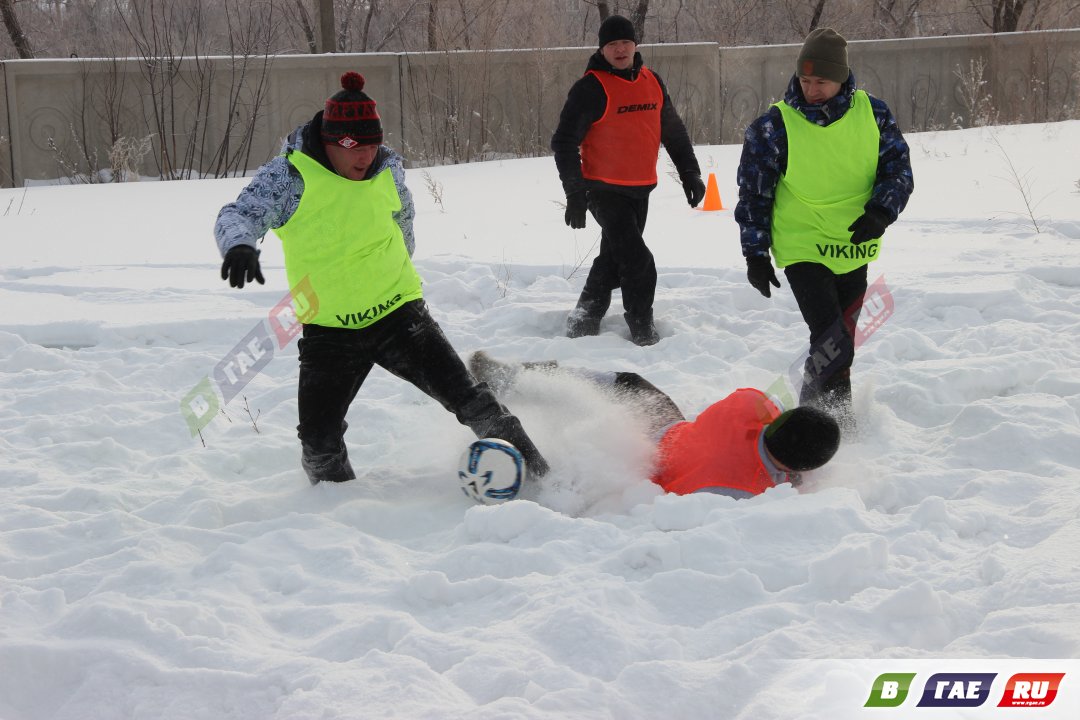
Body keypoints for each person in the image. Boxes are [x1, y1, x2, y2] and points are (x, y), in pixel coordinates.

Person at [214, 72, 549, 485]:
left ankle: (545, 478)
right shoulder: (290, 177)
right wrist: (239, 245)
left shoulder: (388, 168)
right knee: (319, 445)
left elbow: (404, 224)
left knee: (473, 403)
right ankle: (336, 514)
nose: (366, 158)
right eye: (357, 149)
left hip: (399, 316)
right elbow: (238, 214)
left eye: (374, 146)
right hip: (329, 330)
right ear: (333, 141)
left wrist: (389, 275)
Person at [734, 28, 914, 432]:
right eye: (805, 80)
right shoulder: (773, 126)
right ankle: (821, 427)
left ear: (843, 79)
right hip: (802, 246)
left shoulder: (875, 113)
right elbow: (754, 194)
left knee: (840, 343)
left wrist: (881, 212)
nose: (812, 89)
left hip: (853, 244)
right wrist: (756, 253)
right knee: (830, 335)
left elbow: (898, 170)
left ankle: (828, 423)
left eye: (822, 81)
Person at [469, 351, 840, 499]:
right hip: (649, 466)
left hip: (661, 432)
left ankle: (519, 379)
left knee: (627, 382)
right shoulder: (749, 490)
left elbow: (768, 404)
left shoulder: (748, 406)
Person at [551, 14, 706, 347]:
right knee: (637, 260)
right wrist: (576, 193)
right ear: (602, 49)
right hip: (602, 191)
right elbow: (563, 142)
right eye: (612, 44)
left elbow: (673, 131)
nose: (620, 49)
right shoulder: (590, 89)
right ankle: (642, 327)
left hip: (640, 189)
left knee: (613, 259)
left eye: (625, 42)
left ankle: (584, 318)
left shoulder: (653, 81)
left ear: (635, 45)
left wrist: (690, 172)